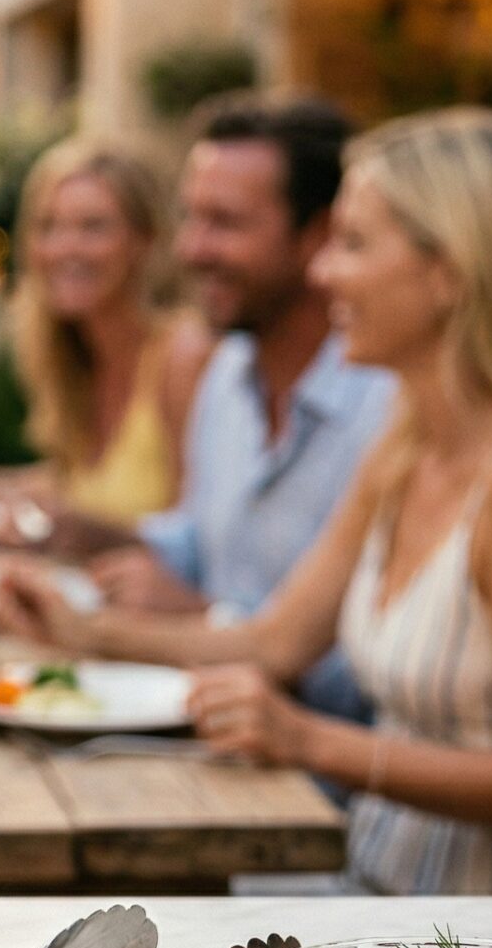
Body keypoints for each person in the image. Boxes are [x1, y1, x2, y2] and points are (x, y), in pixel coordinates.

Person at [0, 108, 492, 895]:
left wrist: (309, 741)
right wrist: (83, 628)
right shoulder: (408, 444)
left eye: (352, 244)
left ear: (451, 272)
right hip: (383, 883)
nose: (322, 273)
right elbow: (276, 641)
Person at [54, 95, 397, 721]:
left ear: (319, 236)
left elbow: (370, 680)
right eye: (190, 218)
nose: (190, 249)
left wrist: (202, 617)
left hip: (320, 778)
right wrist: (78, 534)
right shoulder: (229, 374)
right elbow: (201, 541)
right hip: (214, 733)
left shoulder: (391, 408)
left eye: (225, 223)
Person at [0, 139, 210, 525]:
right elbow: (77, 487)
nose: (65, 248)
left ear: (144, 241)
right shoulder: (75, 357)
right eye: (48, 227)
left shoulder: (183, 356)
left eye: (93, 227)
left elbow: (198, 535)